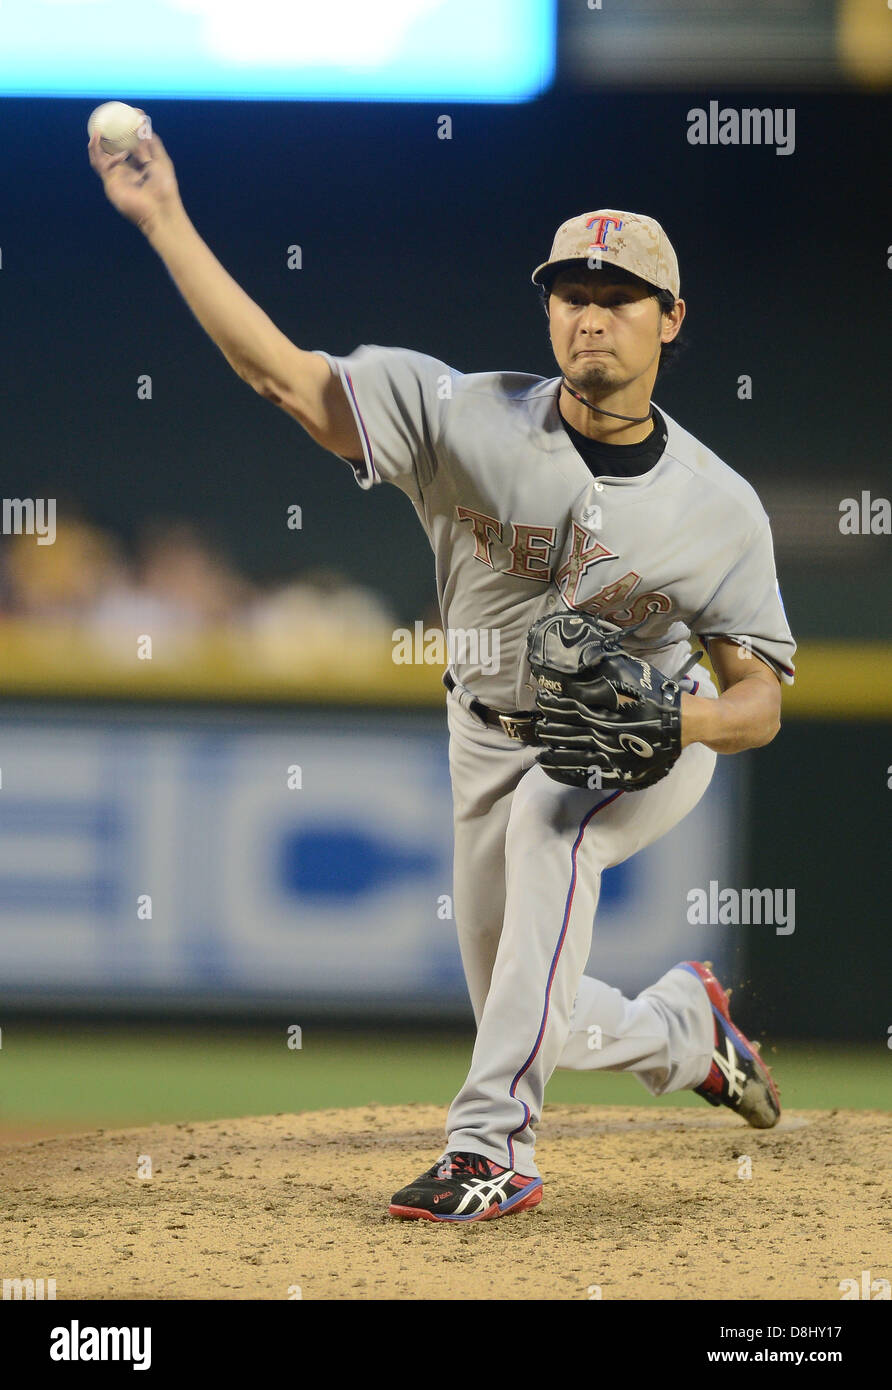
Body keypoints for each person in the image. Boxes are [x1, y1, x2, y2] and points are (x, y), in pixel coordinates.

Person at [89, 127, 796, 1224]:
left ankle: (489, 1148)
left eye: (619, 294)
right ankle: (685, 1033)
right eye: (571, 292)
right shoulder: (460, 416)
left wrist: (681, 716)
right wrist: (164, 220)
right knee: (525, 1003)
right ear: (548, 310)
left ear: (671, 318)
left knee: (549, 831)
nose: (591, 313)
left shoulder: (720, 505)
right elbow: (278, 374)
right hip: (482, 734)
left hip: (639, 749)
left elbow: (760, 704)